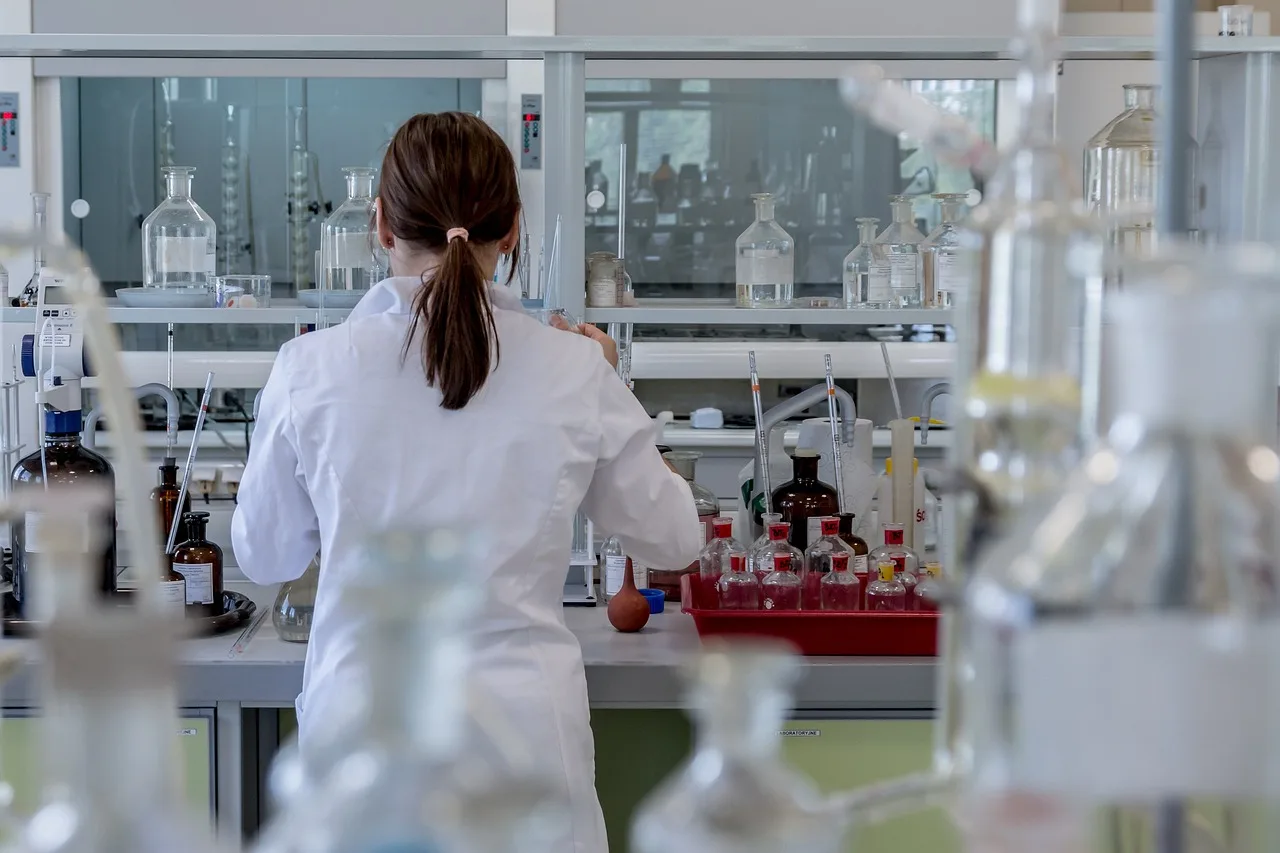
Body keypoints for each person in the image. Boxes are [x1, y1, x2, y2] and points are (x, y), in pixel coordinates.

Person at [231, 112, 703, 852]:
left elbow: (265, 558)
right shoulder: (575, 367)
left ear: (381, 224)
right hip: (526, 755)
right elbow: (674, 537)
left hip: (362, 751)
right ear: (512, 228)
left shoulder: (309, 369)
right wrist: (614, 382)